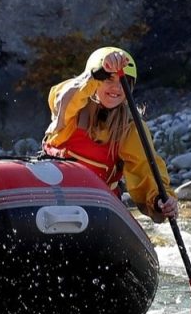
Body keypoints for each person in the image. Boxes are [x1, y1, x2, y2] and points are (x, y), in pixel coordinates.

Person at [42, 46, 179, 222]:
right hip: (53, 194)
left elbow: (145, 167)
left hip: (94, 205)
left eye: (123, 82)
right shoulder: (72, 104)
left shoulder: (130, 127)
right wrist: (94, 75)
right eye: (108, 79)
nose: (116, 88)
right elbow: (62, 99)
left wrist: (160, 198)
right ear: (95, 80)